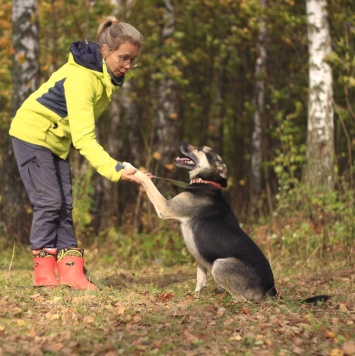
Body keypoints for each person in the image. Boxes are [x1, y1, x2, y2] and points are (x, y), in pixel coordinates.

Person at [9, 16, 144, 290]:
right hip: (32, 134)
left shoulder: (103, 77)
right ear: (105, 51)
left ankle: (71, 273)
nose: (128, 66)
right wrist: (115, 170)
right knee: (49, 202)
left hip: (55, 140)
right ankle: (44, 276)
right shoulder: (83, 78)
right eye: (123, 58)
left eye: (133, 60)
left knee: (64, 204)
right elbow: (84, 137)